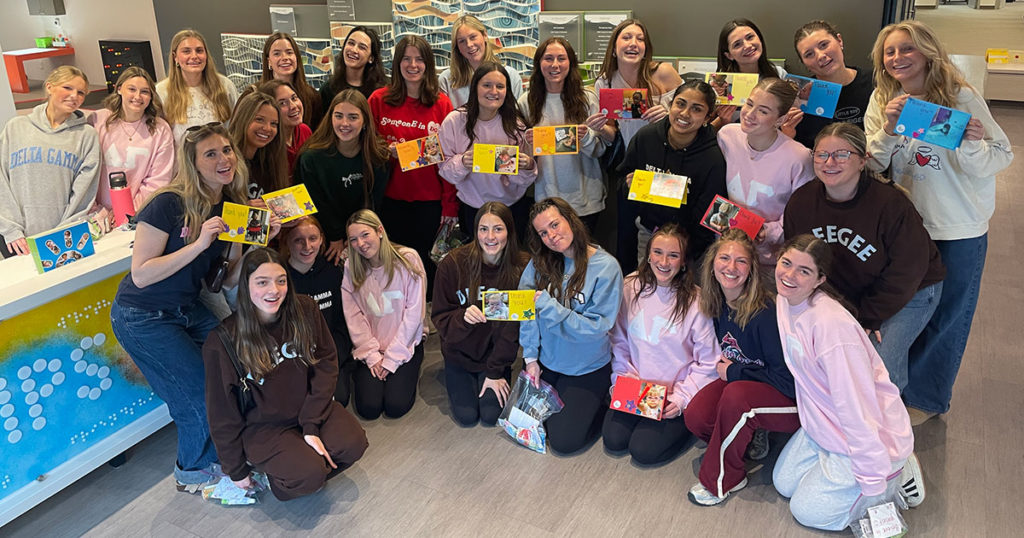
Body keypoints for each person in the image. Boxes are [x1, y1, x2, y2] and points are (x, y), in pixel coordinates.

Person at [109, 123, 275, 493]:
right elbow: (141, 274)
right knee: (197, 391)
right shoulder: (168, 203)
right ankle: (193, 470)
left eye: (227, 150)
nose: (223, 159)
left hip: (185, 308)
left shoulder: (229, 205)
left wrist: (249, 237)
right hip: (142, 315)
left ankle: (228, 451)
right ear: (193, 163)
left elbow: (227, 280)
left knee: (232, 368)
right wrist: (200, 243)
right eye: (211, 154)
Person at [864, 20, 1013, 425]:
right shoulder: (882, 99)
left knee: (949, 315)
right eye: (890, 52)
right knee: (904, 311)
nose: (897, 58)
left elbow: (1001, 156)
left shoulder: (960, 96)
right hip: (906, 226)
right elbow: (874, 163)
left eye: (906, 49)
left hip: (958, 227)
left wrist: (971, 144)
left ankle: (928, 399)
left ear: (927, 51)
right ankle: (892, 387)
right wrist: (891, 130)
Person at [784, 123, 945, 394]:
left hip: (908, 293)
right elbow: (798, 260)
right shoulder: (801, 203)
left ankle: (887, 429)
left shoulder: (891, 204)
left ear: (862, 160)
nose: (829, 162)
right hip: (846, 294)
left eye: (842, 155)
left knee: (876, 367)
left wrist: (869, 317)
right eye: (821, 155)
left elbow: (907, 271)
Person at [772, 235, 917, 530]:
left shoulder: (831, 329)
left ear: (819, 280)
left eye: (804, 271)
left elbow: (856, 407)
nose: (789, 275)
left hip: (866, 434)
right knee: (783, 484)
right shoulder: (784, 300)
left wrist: (873, 480)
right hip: (823, 425)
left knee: (806, 511)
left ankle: (896, 470)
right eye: (786, 263)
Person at [202, 247, 367, 501]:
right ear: (245, 286)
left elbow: (326, 363)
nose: (274, 290)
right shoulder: (222, 340)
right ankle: (279, 476)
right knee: (310, 475)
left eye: (281, 281)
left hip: (310, 409)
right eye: (262, 282)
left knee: (353, 444)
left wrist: (311, 423)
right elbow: (221, 411)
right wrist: (235, 469)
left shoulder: (306, 310)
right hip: (263, 427)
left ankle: (305, 459)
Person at [684, 229, 800, 505]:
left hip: (796, 399)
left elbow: (789, 382)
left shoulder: (764, 313)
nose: (731, 267)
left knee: (737, 399)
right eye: (724, 258)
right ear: (712, 264)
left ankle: (722, 480)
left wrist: (736, 373)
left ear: (751, 269)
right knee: (697, 415)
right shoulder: (717, 303)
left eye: (741, 261)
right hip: (752, 384)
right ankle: (751, 434)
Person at [604, 223, 718, 465]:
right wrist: (621, 380)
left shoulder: (697, 302)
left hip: (672, 395)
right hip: (635, 389)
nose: (664, 262)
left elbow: (708, 361)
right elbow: (620, 341)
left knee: (643, 451)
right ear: (648, 255)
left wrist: (681, 400)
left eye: (673, 255)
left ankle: (684, 425)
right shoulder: (630, 286)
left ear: (684, 261)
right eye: (657, 252)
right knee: (614, 440)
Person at [519, 197, 624, 454]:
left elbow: (596, 328)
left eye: (555, 225)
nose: (551, 236)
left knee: (564, 443)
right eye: (543, 232)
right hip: (548, 361)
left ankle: (601, 402)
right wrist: (530, 358)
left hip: (587, 366)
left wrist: (550, 306)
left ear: (571, 219)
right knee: (526, 426)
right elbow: (526, 310)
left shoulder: (606, 267)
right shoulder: (539, 263)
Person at [369, 35, 457, 297]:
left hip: (428, 201)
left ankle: (425, 319)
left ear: (428, 64)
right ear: (397, 63)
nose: (413, 65)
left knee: (426, 266)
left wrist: (450, 204)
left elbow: (449, 159)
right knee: (393, 265)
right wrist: (385, 150)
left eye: (419, 59)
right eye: (406, 58)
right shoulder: (378, 100)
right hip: (388, 200)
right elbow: (364, 146)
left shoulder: (442, 104)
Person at [431, 202, 529, 426]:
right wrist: (462, 318)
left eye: (498, 229)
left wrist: (495, 372)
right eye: (483, 229)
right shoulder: (453, 264)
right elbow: (440, 317)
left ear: (510, 231)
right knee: (466, 417)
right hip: (459, 354)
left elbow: (512, 329)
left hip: (496, 356)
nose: (490, 236)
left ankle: (488, 376)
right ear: (475, 231)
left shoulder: (522, 267)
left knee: (490, 415)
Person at [617, 80, 727, 271]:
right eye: (680, 103)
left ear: (708, 117)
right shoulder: (646, 137)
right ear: (670, 104)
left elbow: (711, 213)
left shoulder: (713, 157)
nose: (685, 114)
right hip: (649, 234)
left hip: (690, 244)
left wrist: (687, 249)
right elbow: (621, 180)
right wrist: (629, 185)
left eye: (696, 109)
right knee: (647, 291)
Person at [0, 65, 99, 258]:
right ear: (49, 87)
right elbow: (2, 180)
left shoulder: (87, 136)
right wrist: (11, 228)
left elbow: (84, 193)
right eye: (67, 88)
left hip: (62, 239)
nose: (74, 96)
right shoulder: (15, 128)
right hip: (16, 239)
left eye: (81, 93)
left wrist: (63, 233)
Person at [717, 77, 815, 265]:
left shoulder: (799, 157)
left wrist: (767, 232)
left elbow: (801, 216)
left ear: (781, 119)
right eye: (750, 104)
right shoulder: (727, 136)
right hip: (727, 251)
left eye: (763, 111)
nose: (750, 114)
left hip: (769, 259)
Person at [519, 37, 612, 233]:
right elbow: (524, 159)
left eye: (561, 58)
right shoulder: (526, 102)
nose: (555, 65)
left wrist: (585, 137)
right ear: (538, 63)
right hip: (546, 199)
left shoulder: (587, 99)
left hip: (585, 198)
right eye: (548, 58)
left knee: (582, 259)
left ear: (570, 62)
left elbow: (600, 149)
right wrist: (528, 145)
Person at [341, 209, 426, 420]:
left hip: (404, 344)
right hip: (372, 346)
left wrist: (392, 359)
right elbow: (354, 316)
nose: (360, 243)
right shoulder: (351, 267)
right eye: (353, 239)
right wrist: (372, 355)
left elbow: (414, 314)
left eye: (365, 235)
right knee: (369, 408)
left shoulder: (408, 259)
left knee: (395, 406)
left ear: (379, 231)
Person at [438, 62, 538, 240]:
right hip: (471, 208)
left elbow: (524, 180)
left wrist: (527, 165)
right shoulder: (454, 121)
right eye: (486, 85)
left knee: (509, 263)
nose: (494, 91)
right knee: (476, 264)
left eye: (500, 86)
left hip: (511, 207)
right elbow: (445, 170)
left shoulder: (517, 125)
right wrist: (462, 163)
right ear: (475, 87)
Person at [295, 90, 390, 265]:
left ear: (364, 122)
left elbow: (374, 202)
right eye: (338, 116)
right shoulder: (312, 158)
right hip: (327, 236)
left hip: (363, 232)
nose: (344, 123)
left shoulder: (378, 156)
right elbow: (315, 203)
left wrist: (356, 237)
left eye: (353, 117)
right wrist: (336, 236)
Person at [87, 66, 175, 233]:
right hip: (95, 216)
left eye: (144, 92)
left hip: (138, 215)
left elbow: (158, 181)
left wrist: (125, 211)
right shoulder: (97, 121)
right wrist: (97, 210)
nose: (137, 97)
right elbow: (85, 172)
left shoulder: (160, 129)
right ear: (119, 89)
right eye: (132, 89)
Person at [281, 216, 356, 405]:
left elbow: (342, 323)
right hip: (295, 357)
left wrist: (333, 358)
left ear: (322, 239)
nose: (307, 246)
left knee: (338, 400)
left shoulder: (333, 274)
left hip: (329, 355)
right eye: (298, 240)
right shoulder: (280, 279)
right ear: (287, 242)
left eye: (313, 238)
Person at [790, 20, 874, 148]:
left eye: (824, 45)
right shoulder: (802, 97)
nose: (820, 56)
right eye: (809, 54)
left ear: (839, 41)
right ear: (804, 64)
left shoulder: (875, 82)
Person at [157, 29, 239, 142]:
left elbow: (238, 127)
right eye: (186, 51)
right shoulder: (161, 92)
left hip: (220, 158)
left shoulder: (225, 86)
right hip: (181, 159)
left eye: (199, 51)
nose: (194, 56)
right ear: (175, 57)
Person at [711, 19, 790, 132]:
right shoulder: (720, 85)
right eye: (737, 44)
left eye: (750, 37)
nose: (747, 45)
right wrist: (724, 121)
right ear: (729, 55)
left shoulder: (780, 75)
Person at [439, 15, 524, 108]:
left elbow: (516, 118)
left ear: (485, 36)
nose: (469, 44)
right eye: (462, 41)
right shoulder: (446, 80)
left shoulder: (511, 76)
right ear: (457, 47)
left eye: (473, 37)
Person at [229, 91, 288, 200]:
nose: (267, 128)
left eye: (274, 124)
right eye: (259, 120)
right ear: (243, 119)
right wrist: (243, 209)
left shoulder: (271, 161)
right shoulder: (226, 161)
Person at [260, 32, 322, 127]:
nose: (285, 58)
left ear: (296, 57)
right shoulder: (255, 94)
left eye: (289, 52)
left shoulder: (312, 96)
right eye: (277, 54)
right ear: (269, 61)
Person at [320, 26, 387, 109]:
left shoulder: (382, 91)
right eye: (351, 43)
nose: (354, 50)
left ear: (371, 58)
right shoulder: (328, 89)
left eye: (362, 47)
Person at [257, 80, 312, 175]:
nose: (293, 106)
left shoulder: (304, 130)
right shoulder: (267, 143)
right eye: (282, 103)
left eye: (294, 98)